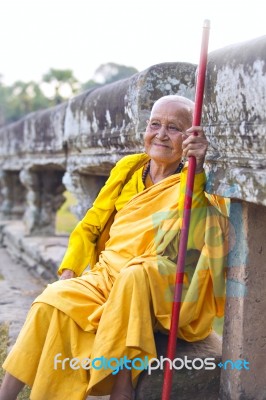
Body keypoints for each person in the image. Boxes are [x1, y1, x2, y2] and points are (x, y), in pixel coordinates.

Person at [0, 95, 229, 400]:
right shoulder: (130, 169)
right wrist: (69, 269)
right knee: (50, 300)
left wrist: (198, 170)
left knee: (135, 275)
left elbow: (199, 230)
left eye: (174, 128)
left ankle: (123, 387)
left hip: (158, 282)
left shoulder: (196, 179)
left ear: (189, 138)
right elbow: (91, 224)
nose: (160, 134)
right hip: (107, 274)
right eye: (155, 124)